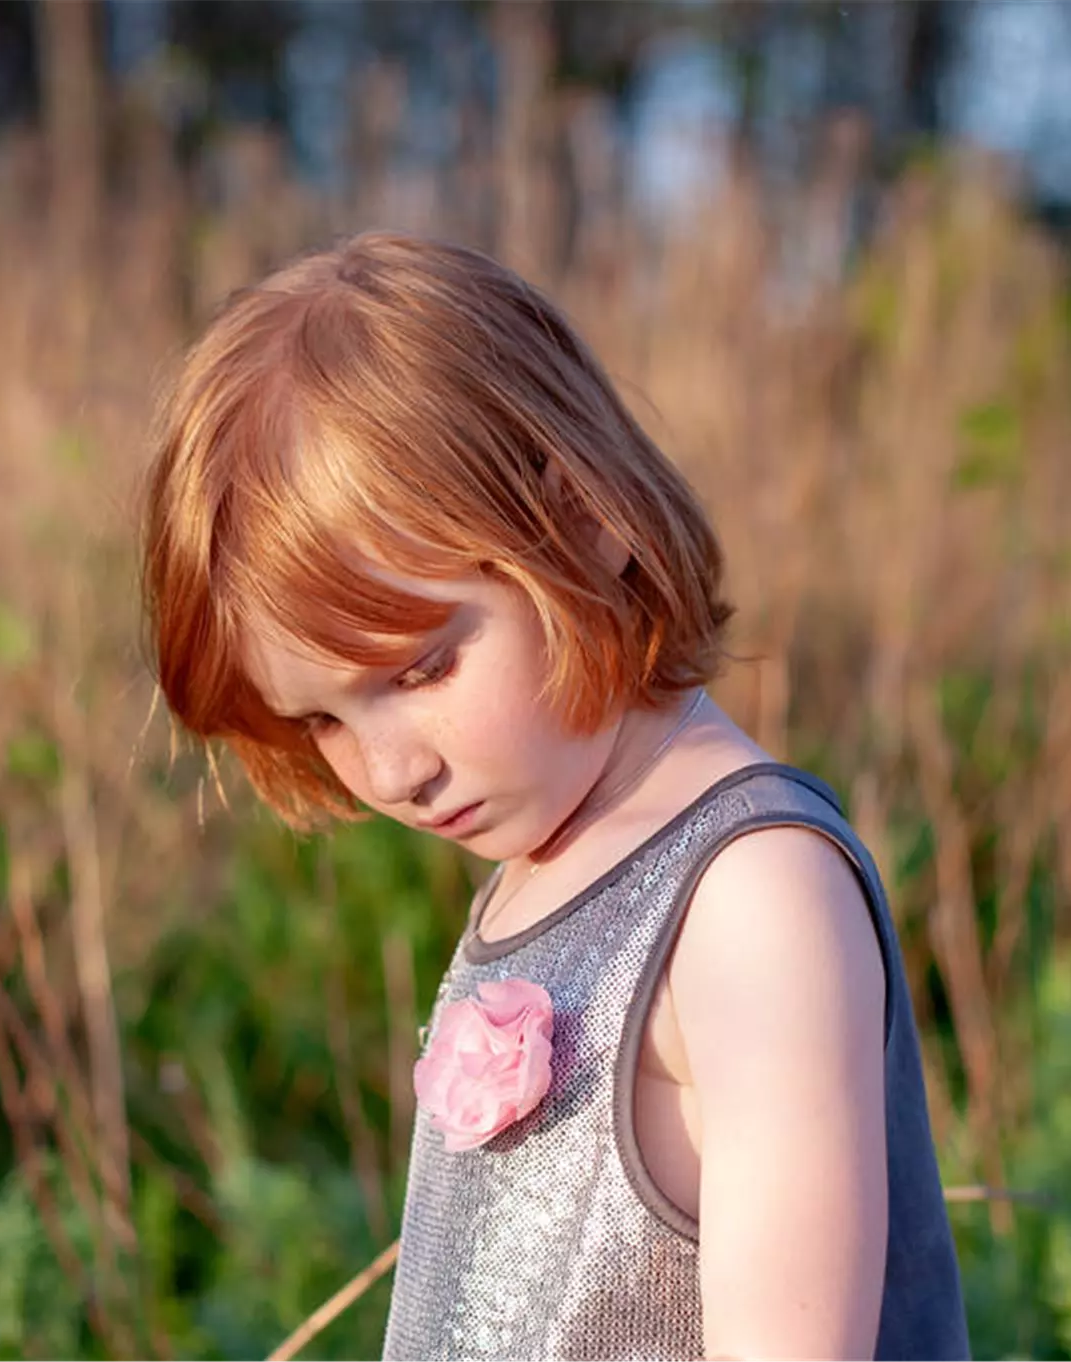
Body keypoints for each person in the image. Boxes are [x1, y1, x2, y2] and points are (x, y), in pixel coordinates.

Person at [139, 232, 970, 1360]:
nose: (392, 772)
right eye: (323, 719)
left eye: (424, 669)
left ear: (589, 520)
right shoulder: (551, 854)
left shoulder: (750, 899)